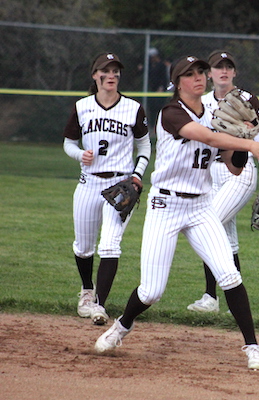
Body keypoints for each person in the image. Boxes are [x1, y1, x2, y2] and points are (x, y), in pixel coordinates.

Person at [94, 55, 259, 370]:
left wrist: (243, 138)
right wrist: (251, 146)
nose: (199, 78)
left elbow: (233, 168)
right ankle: (123, 325)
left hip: (200, 206)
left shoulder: (214, 113)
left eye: (201, 73)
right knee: (152, 291)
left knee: (229, 275)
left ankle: (253, 346)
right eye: (190, 74)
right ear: (177, 82)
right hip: (165, 206)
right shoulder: (171, 113)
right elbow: (206, 137)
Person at [63, 52, 151, 326]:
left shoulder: (133, 108)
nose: (111, 75)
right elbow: (68, 143)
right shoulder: (82, 107)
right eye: (106, 70)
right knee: (84, 247)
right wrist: (79, 155)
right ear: (95, 75)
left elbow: (145, 146)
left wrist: (137, 175)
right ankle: (87, 291)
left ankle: (99, 305)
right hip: (88, 182)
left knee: (110, 246)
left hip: (120, 185)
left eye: (115, 71)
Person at [187, 50, 259, 314]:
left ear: (234, 72)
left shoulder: (246, 99)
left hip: (240, 171)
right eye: (217, 67)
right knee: (225, 238)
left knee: (208, 225)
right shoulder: (200, 101)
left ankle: (211, 297)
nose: (223, 71)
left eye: (228, 67)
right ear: (209, 74)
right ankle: (221, 299)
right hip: (209, 174)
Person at [146, 48, 170, 131]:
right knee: (152, 108)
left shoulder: (162, 65)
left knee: (159, 108)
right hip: (152, 90)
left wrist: (161, 87)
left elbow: (164, 78)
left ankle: (160, 126)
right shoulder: (150, 65)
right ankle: (152, 126)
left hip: (160, 90)